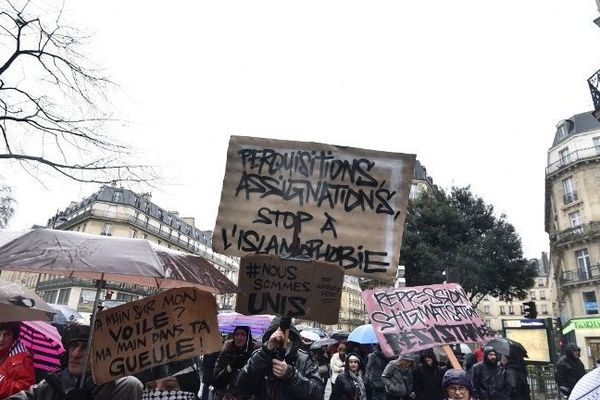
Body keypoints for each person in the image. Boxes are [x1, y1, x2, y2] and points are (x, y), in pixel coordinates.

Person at [8, 325, 144, 400]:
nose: (75, 354)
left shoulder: (125, 385)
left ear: (102, 353)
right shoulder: (53, 383)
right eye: (73, 346)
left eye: (86, 348)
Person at [234, 316, 324, 400]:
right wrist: (264, 354)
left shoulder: (304, 360)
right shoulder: (260, 355)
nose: (280, 339)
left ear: (292, 337)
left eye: (285, 335)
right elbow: (241, 385)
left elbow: (317, 394)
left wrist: (291, 375)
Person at [212, 326, 256, 400]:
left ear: (248, 337)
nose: (239, 337)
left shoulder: (254, 355)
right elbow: (216, 381)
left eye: (243, 334)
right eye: (237, 334)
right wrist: (232, 365)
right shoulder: (226, 352)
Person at [0, 322, 35, 398]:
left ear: (14, 336)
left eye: (7, 334)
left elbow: (27, 388)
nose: (1, 339)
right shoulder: (3, 351)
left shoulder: (22, 360)